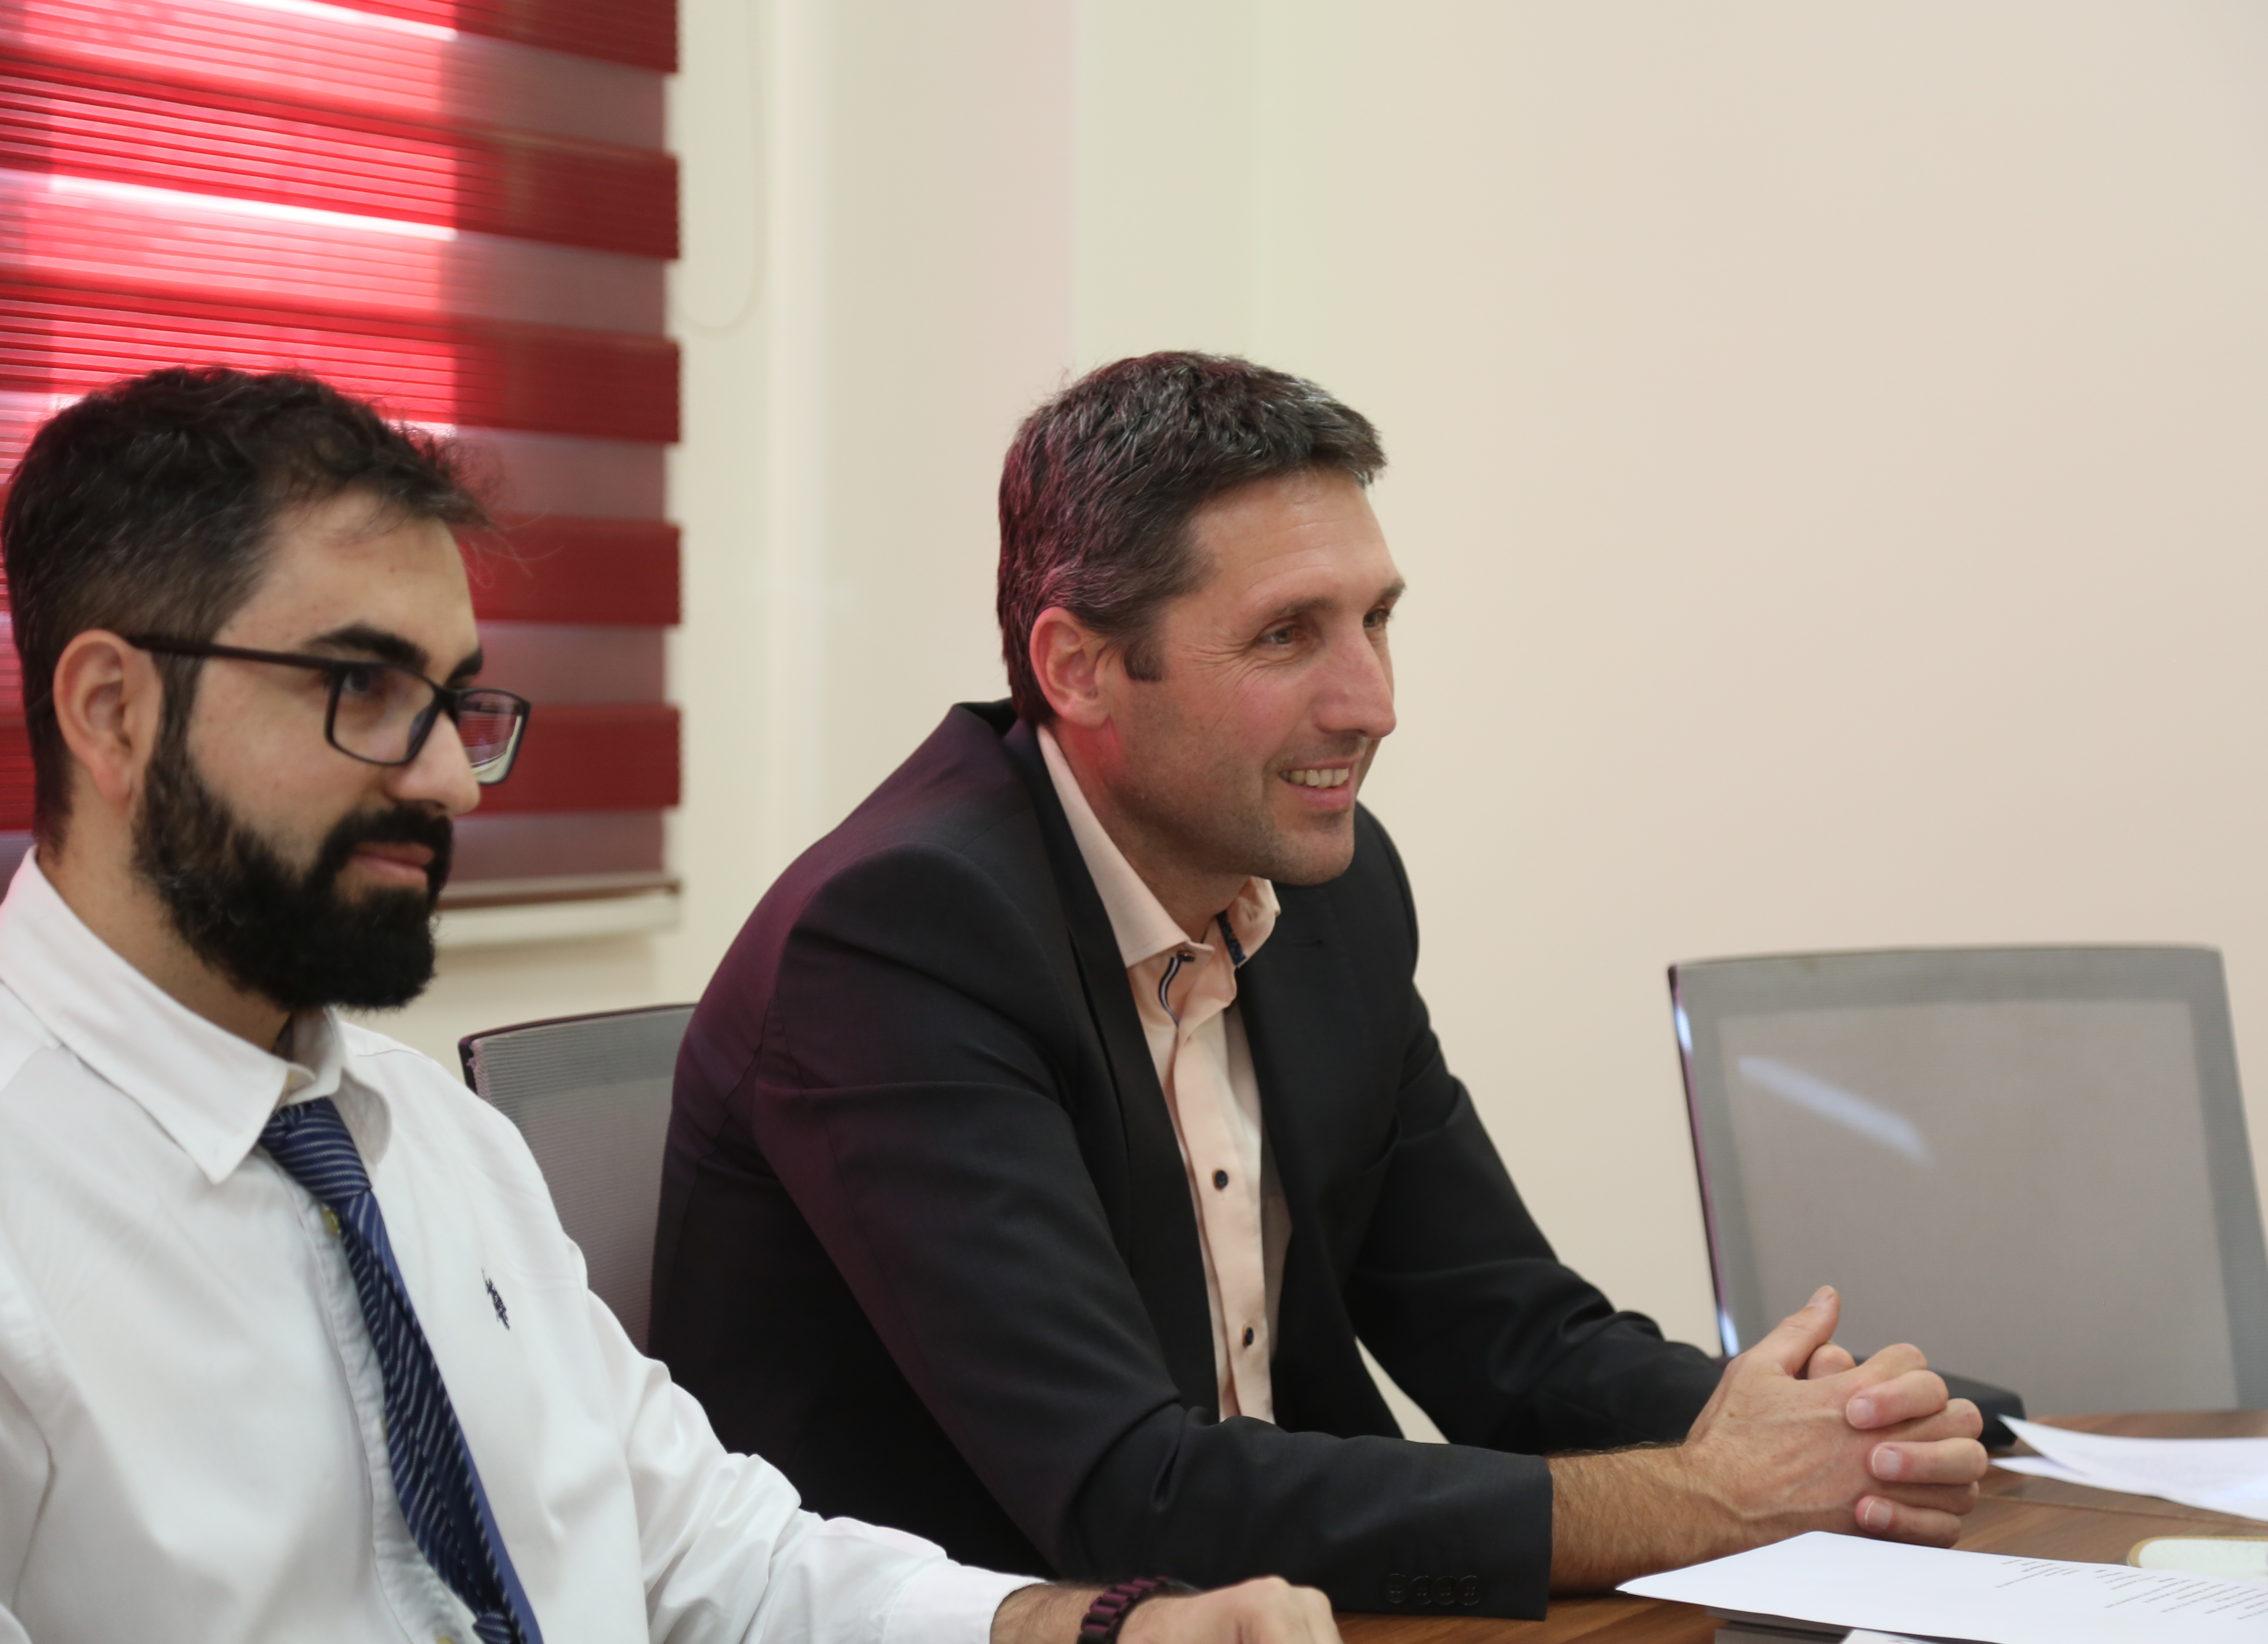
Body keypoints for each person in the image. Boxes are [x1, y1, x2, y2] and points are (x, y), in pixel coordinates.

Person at [0, 365, 1340, 1644]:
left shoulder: (426, 1137)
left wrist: (1111, 1625)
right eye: (363, 688)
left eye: (455, 703)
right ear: (112, 712)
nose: (453, 783)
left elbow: (714, 1558)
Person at [654, 352, 1990, 1620]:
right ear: (1079, 669)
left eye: (1377, 620)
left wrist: (1836, 1433)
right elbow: (1131, 1494)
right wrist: (1711, 1499)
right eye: (1289, 635)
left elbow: (1507, 1335)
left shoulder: (1323, 890)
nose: (1372, 703)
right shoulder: (902, 939)